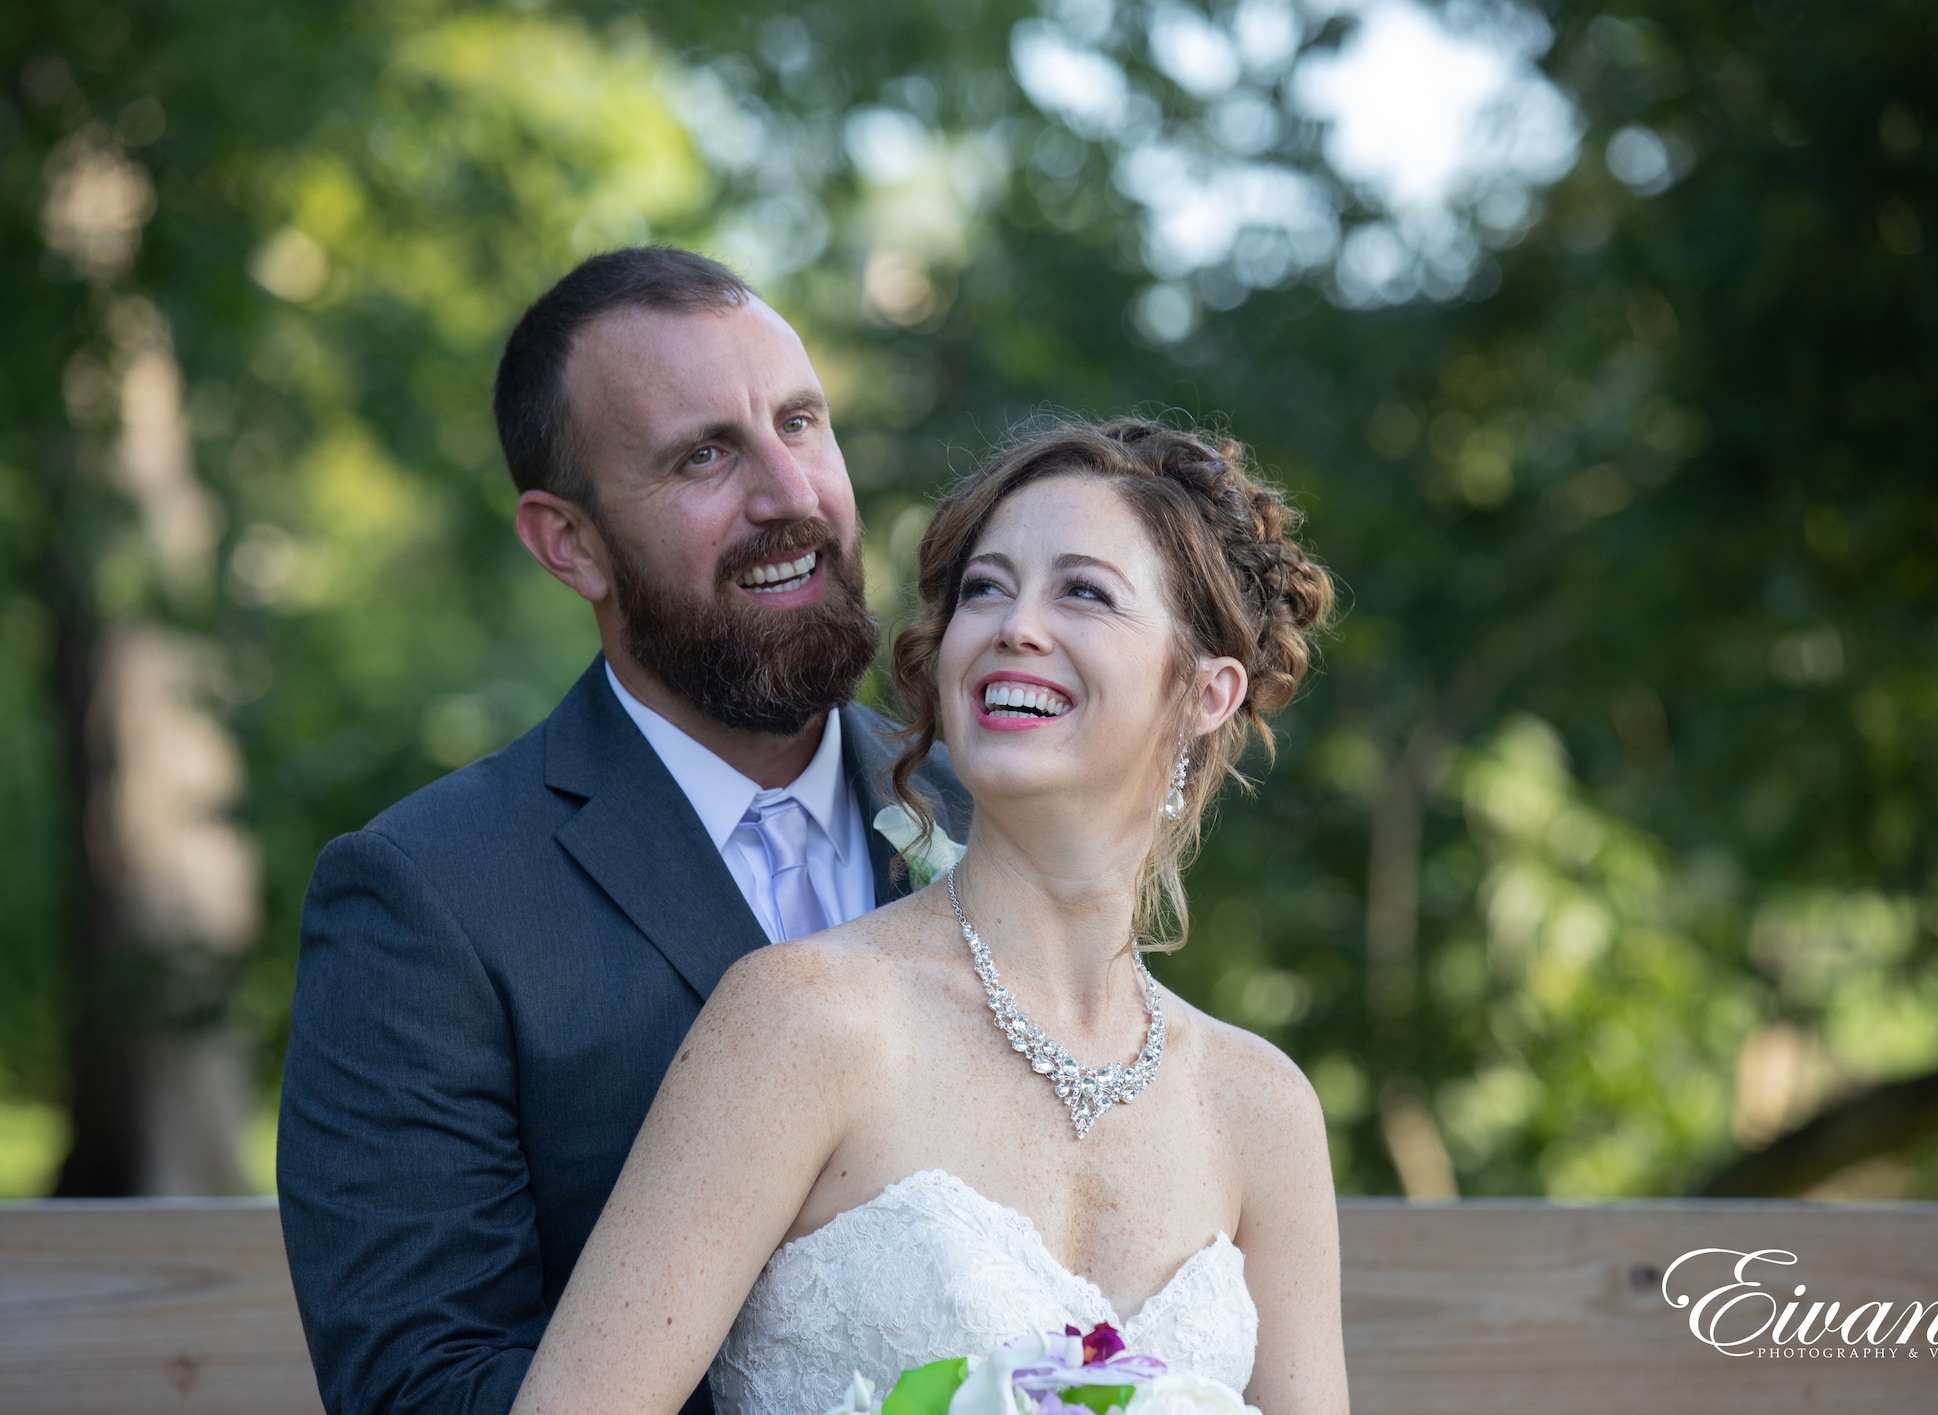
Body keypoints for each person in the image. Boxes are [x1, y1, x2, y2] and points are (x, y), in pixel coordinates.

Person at [509, 418, 1346, 1415]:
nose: (1013, 625)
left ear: (1207, 690)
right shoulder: (800, 1019)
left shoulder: (1260, 1107)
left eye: (1082, 590)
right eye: (984, 588)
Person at [277, 247, 970, 1415]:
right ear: (570, 543)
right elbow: (422, 1386)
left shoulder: (987, 816)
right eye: (704, 454)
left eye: (799, 422)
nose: (788, 494)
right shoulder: (425, 896)